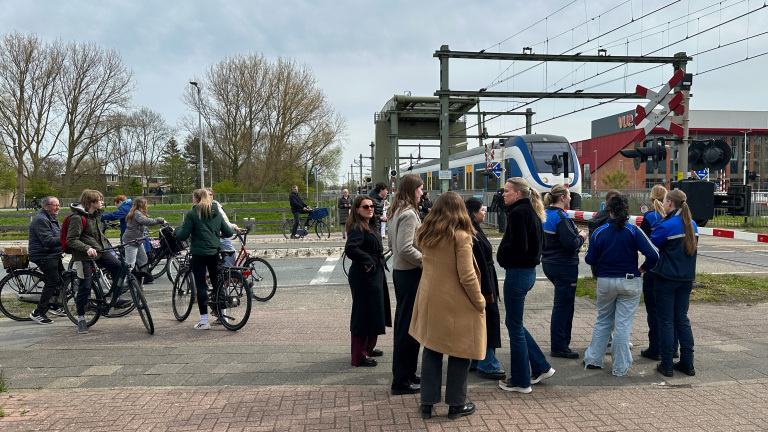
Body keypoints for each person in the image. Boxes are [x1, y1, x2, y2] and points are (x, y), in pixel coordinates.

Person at [409, 191, 485, 420]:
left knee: (432, 349)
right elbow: (467, 276)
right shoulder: (461, 236)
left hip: (430, 298)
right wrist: (479, 300)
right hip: (456, 301)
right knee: (461, 352)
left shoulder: (425, 233)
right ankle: (456, 405)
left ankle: (427, 404)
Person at [582, 194, 659, 376]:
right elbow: (654, 255)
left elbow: (589, 259)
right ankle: (620, 366)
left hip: (605, 280)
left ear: (608, 209)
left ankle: (593, 359)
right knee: (623, 325)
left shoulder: (600, 232)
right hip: (630, 280)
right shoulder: (633, 231)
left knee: (603, 320)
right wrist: (643, 268)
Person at [497, 178, 555, 394]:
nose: (504, 194)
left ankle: (521, 380)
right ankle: (541, 366)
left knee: (514, 327)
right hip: (528, 273)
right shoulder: (532, 211)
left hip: (517, 273)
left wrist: (503, 255)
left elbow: (519, 246)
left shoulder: (518, 213)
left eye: (507, 191)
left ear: (518, 194)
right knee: (516, 324)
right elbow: (543, 244)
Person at [67, 190, 132, 335]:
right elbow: (71, 240)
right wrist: (87, 248)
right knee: (85, 285)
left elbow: (98, 235)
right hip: (83, 255)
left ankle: (115, 298)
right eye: (99, 199)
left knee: (119, 267)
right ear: (90, 202)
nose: (102, 201)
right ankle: (81, 318)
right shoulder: (77, 218)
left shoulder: (97, 215)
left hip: (100, 250)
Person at [651, 189, 698, 378]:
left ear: (670, 203)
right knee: (682, 319)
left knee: (666, 321)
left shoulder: (666, 226)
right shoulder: (692, 224)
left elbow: (650, 248)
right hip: (686, 279)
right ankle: (687, 363)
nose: (662, 204)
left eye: (663, 201)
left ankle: (667, 363)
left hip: (666, 279)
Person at [174, 189, 234, 329]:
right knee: (217, 283)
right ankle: (222, 314)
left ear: (196, 199)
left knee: (201, 286)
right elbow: (229, 232)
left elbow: (183, 235)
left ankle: (204, 321)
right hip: (214, 253)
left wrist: (176, 230)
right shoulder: (216, 213)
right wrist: (215, 233)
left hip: (199, 254)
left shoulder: (193, 214)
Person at [388, 174, 424, 395]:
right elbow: (404, 248)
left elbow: (392, 245)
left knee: (405, 325)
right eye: (420, 188)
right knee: (408, 328)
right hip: (410, 274)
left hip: (401, 272)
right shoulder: (409, 214)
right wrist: (426, 261)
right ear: (413, 189)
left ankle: (407, 374)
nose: (422, 192)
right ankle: (401, 380)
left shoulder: (396, 210)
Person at [542, 184, 587, 359]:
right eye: (568, 195)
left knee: (561, 304)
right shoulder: (562, 218)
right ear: (562, 197)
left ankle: (561, 343)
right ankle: (560, 346)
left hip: (549, 263)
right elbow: (571, 244)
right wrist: (581, 236)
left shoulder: (545, 214)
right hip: (564, 265)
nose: (570, 198)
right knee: (564, 306)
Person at [344, 196, 388, 367]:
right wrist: (368, 260)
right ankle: (359, 356)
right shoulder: (357, 227)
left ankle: (368, 348)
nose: (370, 209)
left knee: (374, 312)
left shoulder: (369, 225)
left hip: (373, 274)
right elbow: (351, 248)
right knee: (363, 315)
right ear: (357, 209)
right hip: (364, 276)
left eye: (371, 206)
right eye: (365, 207)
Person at [465, 197, 505, 380]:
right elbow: (480, 264)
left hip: (482, 280)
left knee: (479, 321)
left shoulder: (472, 230)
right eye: (482, 210)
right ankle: (488, 363)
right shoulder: (473, 234)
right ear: (474, 213)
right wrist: (488, 291)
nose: (484, 212)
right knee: (488, 320)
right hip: (484, 282)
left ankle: (475, 359)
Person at [639, 185, 675, 361]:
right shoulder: (672, 217)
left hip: (653, 269)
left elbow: (643, 242)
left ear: (652, 199)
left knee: (653, 311)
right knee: (670, 312)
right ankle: (671, 347)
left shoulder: (649, 217)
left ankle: (655, 348)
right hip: (670, 269)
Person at [27, 196, 66, 324]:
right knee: (53, 280)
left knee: (62, 278)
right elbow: (48, 240)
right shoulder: (41, 220)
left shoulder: (52, 218)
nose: (57, 207)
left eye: (58, 205)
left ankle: (55, 306)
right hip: (43, 255)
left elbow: (58, 235)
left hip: (53, 254)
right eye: (54, 205)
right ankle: (38, 312)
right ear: (46, 206)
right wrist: (66, 240)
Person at [122, 197, 166, 283]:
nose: (147, 205)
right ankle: (123, 283)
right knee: (130, 264)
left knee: (143, 260)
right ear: (141, 205)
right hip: (131, 241)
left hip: (138, 241)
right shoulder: (137, 213)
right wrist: (160, 220)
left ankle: (143, 280)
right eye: (146, 204)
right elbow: (146, 221)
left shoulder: (137, 213)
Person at [587, 190, 621, 278]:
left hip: (597, 267)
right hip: (614, 268)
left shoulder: (597, 217)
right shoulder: (618, 221)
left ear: (606, 202)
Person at [207, 188, 240, 267]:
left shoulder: (217, 207)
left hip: (221, 236)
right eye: (207, 195)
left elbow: (225, 222)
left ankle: (231, 274)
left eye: (211, 194)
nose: (209, 196)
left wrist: (234, 227)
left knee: (231, 252)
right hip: (209, 238)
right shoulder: (201, 208)